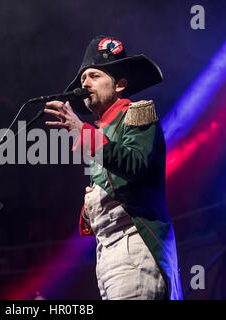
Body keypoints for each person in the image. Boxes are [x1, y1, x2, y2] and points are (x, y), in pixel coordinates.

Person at [44, 35, 183, 300]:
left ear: (119, 84)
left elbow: (133, 164)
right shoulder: (102, 133)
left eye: (94, 76)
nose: (85, 83)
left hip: (136, 248)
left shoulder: (138, 113)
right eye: (84, 78)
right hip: (108, 254)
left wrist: (82, 133)